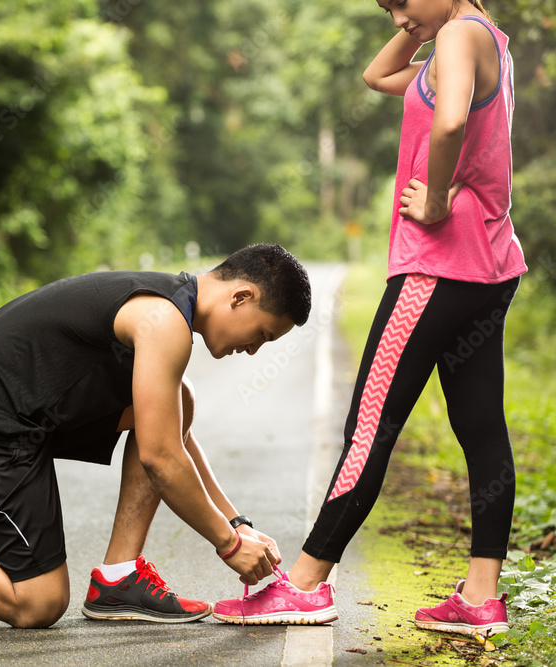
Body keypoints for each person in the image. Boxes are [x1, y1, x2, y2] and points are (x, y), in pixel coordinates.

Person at [213, 0, 526, 637]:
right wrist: (417, 24)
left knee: (368, 426)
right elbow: (377, 77)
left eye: (400, 3)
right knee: (480, 426)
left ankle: (304, 585)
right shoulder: (478, 37)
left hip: (436, 265)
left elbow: (449, 126)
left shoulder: (462, 36)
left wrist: (435, 201)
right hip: (489, 265)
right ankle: (480, 596)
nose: (395, 18)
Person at [0, 243, 312, 628]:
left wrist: (236, 522)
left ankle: (119, 579)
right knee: (38, 603)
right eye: (263, 334)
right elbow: (161, 458)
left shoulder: (171, 303)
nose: (254, 350)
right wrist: (227, 544)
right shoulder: (164, 320)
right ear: (241, 296)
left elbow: (169, 438)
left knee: (174, 401)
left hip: (34, 413)